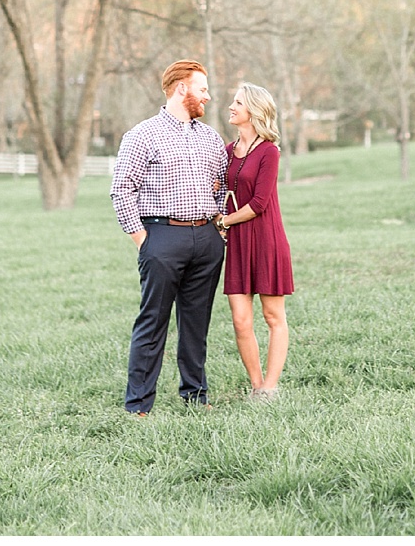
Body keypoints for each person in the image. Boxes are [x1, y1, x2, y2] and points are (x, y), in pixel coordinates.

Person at [109, 60, 228, 415]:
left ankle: (195, 396)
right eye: (202, 88)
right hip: (161, 237)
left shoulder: (210, 137)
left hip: (206, 240)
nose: (208, 95)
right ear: (181, 88)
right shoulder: (142, 135)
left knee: (197, 322)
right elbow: (122, 189)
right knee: (153, 321)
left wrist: (217, 230)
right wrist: (142, 239)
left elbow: (222, 187)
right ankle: (138, 405)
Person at [213, 82, 295, 398]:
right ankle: (257, 384)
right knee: (240, 320)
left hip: (266, 240)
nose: (231, 107)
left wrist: (224, 221)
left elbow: (259, 204)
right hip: (237, 244)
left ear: (253, 111)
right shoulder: (227, 151)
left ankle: (270, 389)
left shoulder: (269, 152)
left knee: (273, 317)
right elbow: (221, 188)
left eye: (237, 103)